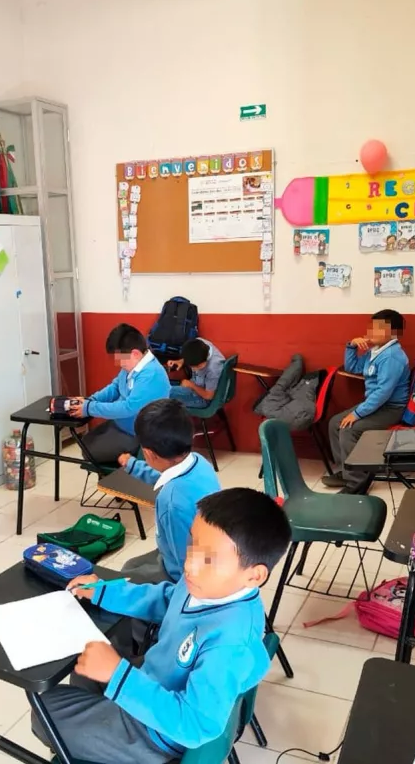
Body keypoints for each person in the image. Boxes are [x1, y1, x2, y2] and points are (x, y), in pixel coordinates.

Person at [31, 487, 292, 764]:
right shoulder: (208, 586)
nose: (190, 564)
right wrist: (104, 591)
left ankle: (94, 737)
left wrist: (118, 676)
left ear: (255, 576)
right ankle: (94, 726)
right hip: (154, 683)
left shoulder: (230, 643)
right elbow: (167, 599)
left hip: (156, 735)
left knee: (41, 712)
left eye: (208, 559)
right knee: (84, 666)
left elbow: (195, 724)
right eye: (192, 544)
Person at [116, 399, 222, 584]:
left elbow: (186, 569)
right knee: (131, 565)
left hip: (183, 573)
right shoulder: (198, 461)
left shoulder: (172, 502)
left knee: (125, 580)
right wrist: (133, 465)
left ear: (149, 454)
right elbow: (165, 473)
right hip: (204, 553)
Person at [323, 309, 411, 491]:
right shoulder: (375, 351)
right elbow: (352, 367)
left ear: (392, 332)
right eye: (371, 327)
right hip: (376, 404)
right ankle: (345, 471)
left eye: (378, 328)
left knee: (349, 429)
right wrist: (352, 347)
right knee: (335, 423)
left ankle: (357, 483)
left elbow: (383, 393)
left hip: (390, 408)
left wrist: (357, 414)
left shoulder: (392, 356)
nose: (371, 332)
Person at [72, 323, 170, 465]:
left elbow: (129, 407)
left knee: (89, 451)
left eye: (120, 358)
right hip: (122, 424)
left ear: (135, 353)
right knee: (86, 442)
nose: (117, 363)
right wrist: (90, 400)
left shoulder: (151, 374)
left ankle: (127, 468)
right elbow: (115, 387)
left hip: (140, 435)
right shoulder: (133, 365)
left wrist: (90, 408)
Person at [166, 338, 226, 410]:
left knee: (165, 392)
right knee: (166, 384)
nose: (193, 369)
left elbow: (209, 396)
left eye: (196, 367)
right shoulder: (200, 344)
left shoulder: (213, 369)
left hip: (203, 398)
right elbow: (193, 353)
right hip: (197, 383)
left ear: (204, 362)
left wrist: (191, 385)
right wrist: (181, 361)